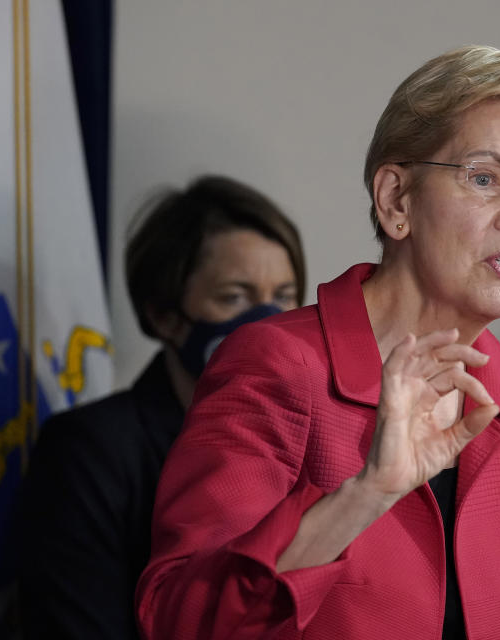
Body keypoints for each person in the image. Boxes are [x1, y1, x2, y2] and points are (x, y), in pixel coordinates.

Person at [134, 45, 500, 639]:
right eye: (487, 178)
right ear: (395, 201)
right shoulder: (278, 365)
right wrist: (369, 493)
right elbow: (183, 620)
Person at [17, 175, 306, 639]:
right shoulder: (90, 451)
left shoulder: (313, 441)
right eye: (234, 297)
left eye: (284, 297)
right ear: (163, 315)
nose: (267, 323)